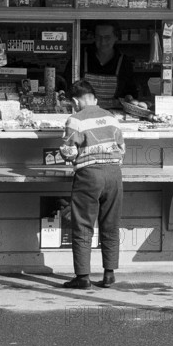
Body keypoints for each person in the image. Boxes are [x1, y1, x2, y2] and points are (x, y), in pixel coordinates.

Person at [59, 79, 125, 289]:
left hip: (89, 176)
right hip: (114, 174)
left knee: (83, 226)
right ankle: (109, 274)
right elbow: (122, 148)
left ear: (75, 101)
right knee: (111, 224)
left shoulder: (75, 120)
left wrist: (65, 153)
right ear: (95, 99)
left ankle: (83, 277)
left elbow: (69, 152)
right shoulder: (112, 118)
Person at [64, 20, 138, 109]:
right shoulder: (80, 57)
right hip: (85, 113)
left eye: (107, 37)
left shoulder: (124, 63)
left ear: (116, 37)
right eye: (99, 37)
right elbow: (67, 85)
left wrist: (129, 98)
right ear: (94, 37)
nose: (103, 42)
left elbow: (131, 93)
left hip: (113, 114)